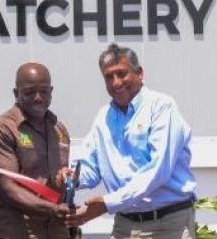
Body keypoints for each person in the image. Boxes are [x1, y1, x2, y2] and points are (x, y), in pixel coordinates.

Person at [64, 43, 198, 239]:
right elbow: (90, 167)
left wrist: (107, 203)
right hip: (124, 224)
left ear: (140, 73)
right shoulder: (104, 117)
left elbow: (157, 171)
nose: (116, 82)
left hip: (168, 225)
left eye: (121, 73)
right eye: (109, 77)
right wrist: (72, 178)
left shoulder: (162, 107)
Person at [0, 62, 73, 239]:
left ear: (51, 91)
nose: (38, 98)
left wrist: (68, 182)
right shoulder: (1, 130)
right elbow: (8, 189)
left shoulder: (59, 130)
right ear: (16, 93)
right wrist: (54, 209)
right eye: (30, 92)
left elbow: (60, 182)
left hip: (57, 232)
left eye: (44, 91)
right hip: (20, 232)